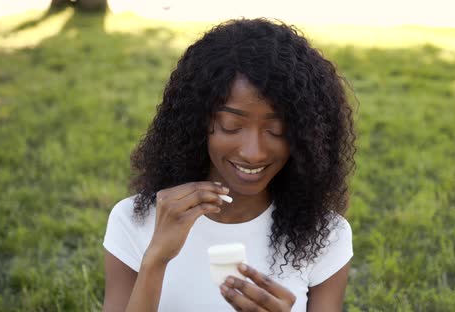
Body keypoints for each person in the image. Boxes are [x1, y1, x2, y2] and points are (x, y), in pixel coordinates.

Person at [102, 18, 356, 312]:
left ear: (304, 135)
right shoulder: (134, 221)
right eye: (231, 126)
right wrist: (155, 259)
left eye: (276, 131)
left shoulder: (325, 235)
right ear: (200, 122)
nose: (253, 153)